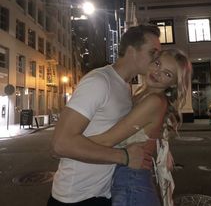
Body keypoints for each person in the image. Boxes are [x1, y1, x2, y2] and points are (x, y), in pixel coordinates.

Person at [47, 24, 161, 205]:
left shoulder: (124, 87)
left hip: (103, 193)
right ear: (132, 51)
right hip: (75, 197)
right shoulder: (99, 81)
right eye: (152, 53)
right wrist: (125, 157)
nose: (157, 60)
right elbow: (60, 144)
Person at [88, 48, 192, 206]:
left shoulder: (155, 101)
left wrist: (69, 144)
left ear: (172, 84)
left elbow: (108, 139)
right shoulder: (141, 95)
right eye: (157, 64)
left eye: (167, 74)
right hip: (126, 178)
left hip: (131, 183)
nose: (157, 72)